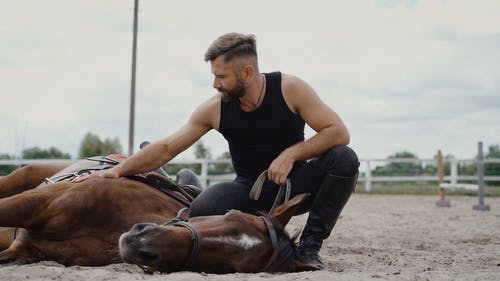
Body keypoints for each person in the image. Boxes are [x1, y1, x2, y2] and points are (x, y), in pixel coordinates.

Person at [76, 32, 359, 270]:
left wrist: (290, 155)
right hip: (249, 190)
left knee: (344, 159)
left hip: (295, 185)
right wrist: (114, 172)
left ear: (247, 72)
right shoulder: (215, 108)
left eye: (221, 76)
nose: (215, 84)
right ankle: (191, 187)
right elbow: (165, 148)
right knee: (201, 209)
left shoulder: (290, 89)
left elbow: (338, 132)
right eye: (214, 76)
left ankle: (309, 248)